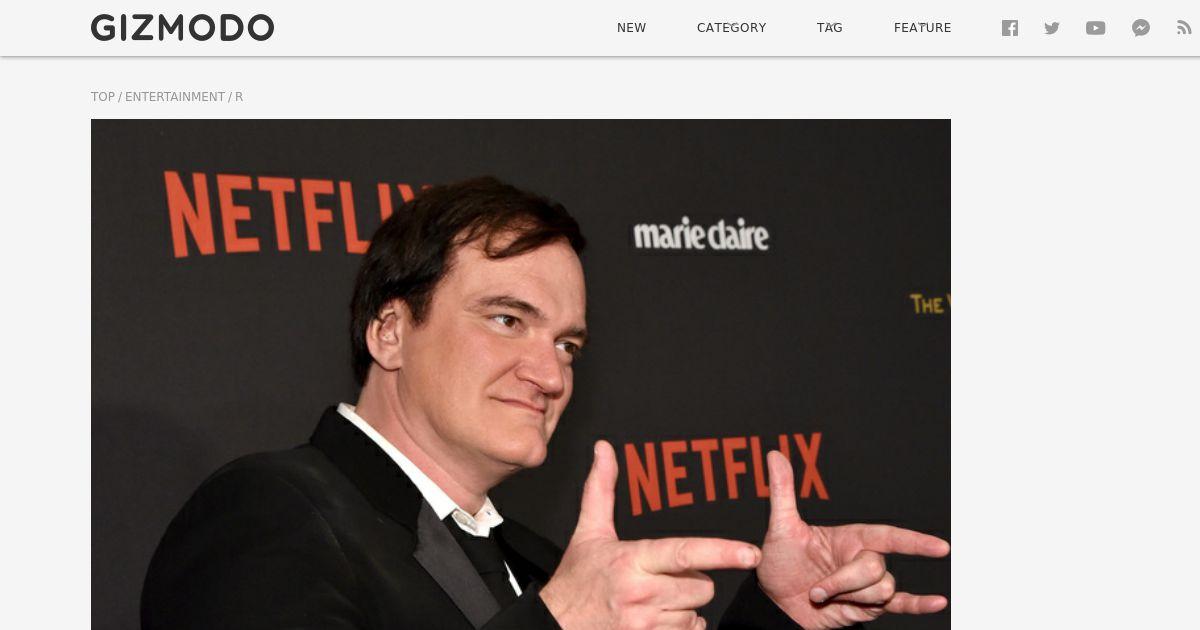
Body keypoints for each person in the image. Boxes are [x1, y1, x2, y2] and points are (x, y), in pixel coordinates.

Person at [141, 177, 949, 630]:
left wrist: (782, 616)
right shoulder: (266, 512)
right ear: (390, 332)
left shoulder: (535, 561)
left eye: (567, 344)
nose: (550, 373)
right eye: (507, 319)